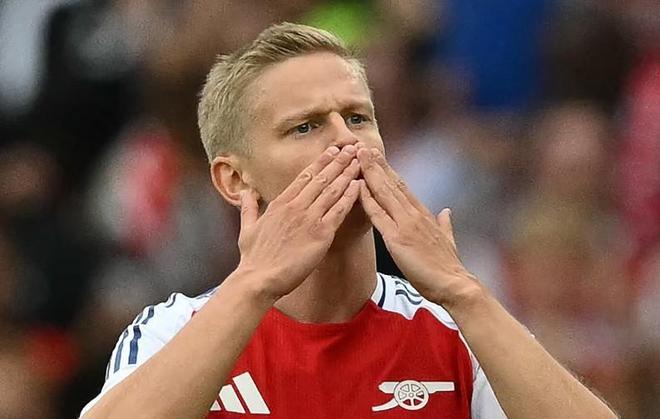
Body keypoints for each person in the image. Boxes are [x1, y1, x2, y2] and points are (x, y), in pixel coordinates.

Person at [80, 23, 617, 418]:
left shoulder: (456, 330)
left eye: (358, 117)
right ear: (235, 180)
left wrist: (463, 291)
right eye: (306, 126)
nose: (347, 141)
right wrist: (254, 284)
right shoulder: (173, 330)